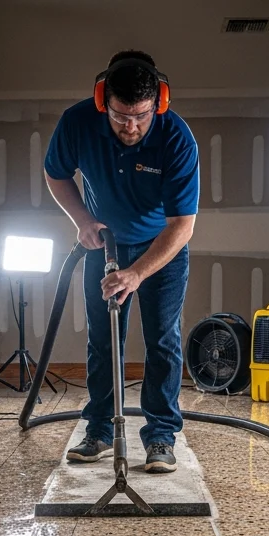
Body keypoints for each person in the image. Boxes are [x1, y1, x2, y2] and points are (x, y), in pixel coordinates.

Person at [44, 50, 199, 473]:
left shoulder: (176, 137)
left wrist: (137, 273)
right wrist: (83, 220)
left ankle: (161, 436)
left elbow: (183, 224)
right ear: (102, 101)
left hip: (162, 249)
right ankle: (98, 429)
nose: (131, 126)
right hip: (105, 246)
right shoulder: (77, 123)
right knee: (103, 338)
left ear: (159, 103)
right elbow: (56, 173)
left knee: (162, 340)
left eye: (142, 116)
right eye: (120, 116)